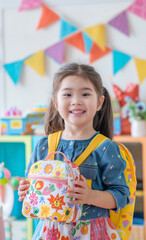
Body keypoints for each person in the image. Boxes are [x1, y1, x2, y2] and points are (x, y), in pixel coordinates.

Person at [18, 63, 130, 240]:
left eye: (85, 94)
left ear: (100, 102)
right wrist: (25, 189)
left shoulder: (106, 147)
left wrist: (90, 196)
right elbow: (30, 183)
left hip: (92, 232)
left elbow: (122, 196)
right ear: (56, 102)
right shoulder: (43, 145)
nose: (76, 101)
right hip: (50, 231)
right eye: (67, 94)